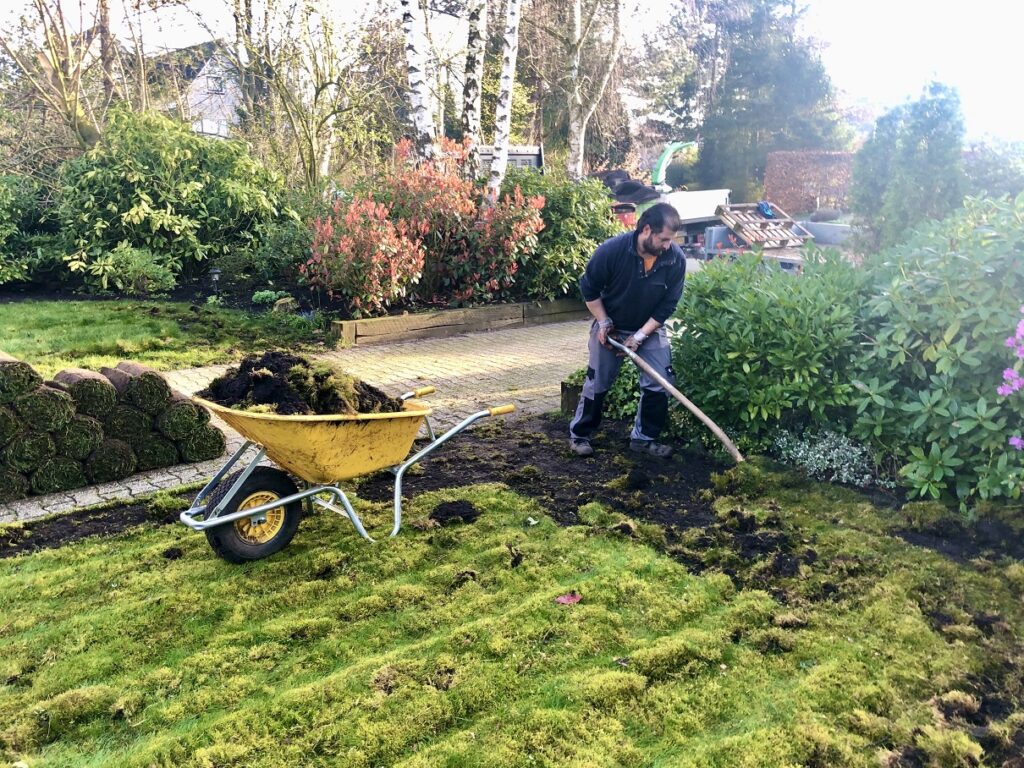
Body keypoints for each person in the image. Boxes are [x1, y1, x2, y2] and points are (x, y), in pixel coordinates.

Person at [569, 202, 686, 457]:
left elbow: (668, 305)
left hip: (649, 329)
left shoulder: (674, 259)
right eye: (664, 239)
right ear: (646, 230)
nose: (668, 245)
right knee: (597, 381)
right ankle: (580, 435)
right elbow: (588, 289)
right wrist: (603, 322)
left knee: (660, 381)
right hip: (610, 325)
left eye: (671, 240)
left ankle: (643, 440)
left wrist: (641, 335)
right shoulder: (612, 251)